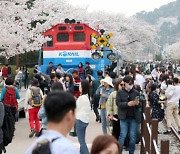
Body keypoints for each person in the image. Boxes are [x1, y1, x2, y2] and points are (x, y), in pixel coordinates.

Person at [116, 76, 140, 154]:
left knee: (133, 136)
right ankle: (119, 151)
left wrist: (136, 104)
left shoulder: (136, 92)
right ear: (125, 83)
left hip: (133, 117)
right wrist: (127, 104)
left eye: (132, 83)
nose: (131, 85)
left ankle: (131, 152)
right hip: (123, 117)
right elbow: (118, 103)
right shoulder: (120, 92)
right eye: (129, 83)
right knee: (123, 135)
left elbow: (139, 106)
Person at [76, 80, 91, 154]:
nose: (79, 87)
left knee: (81, 141)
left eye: (80, 86)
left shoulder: (81, 98)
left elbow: (75, 108)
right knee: (82, 140)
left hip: (80, 120)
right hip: (85, 120)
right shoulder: (87, 97)